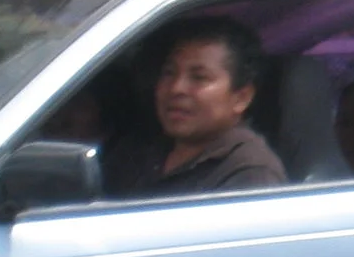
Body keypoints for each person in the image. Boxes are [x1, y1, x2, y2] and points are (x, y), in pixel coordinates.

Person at [107, 15, 288, 197]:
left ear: (241, 98)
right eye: (169, 73)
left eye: (199, 77)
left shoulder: (250, 174)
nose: (177, 88)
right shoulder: (140, 150)